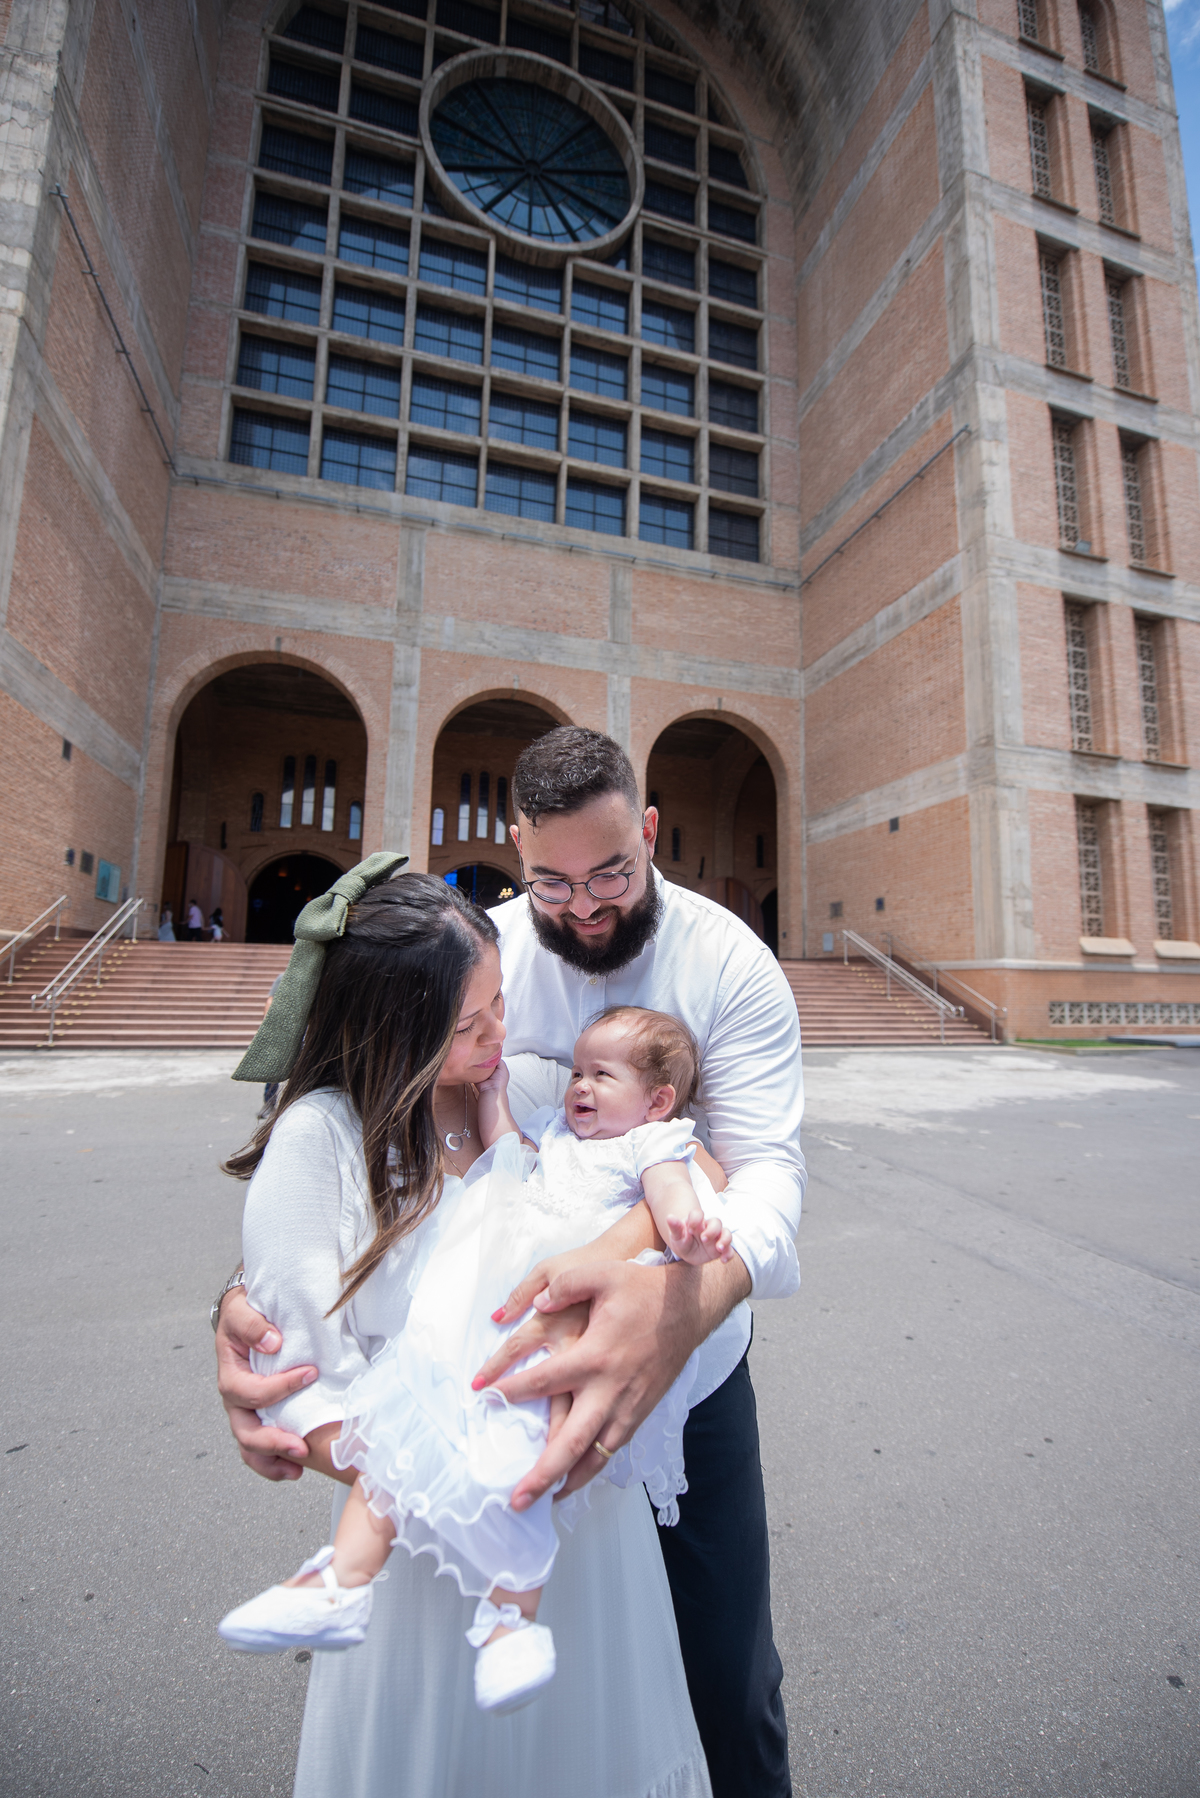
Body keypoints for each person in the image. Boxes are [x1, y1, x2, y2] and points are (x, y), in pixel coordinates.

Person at [216, 728, 805, 1797]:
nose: (584, 906)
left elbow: (754, 1177)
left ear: (650, 832)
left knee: (729, 1682)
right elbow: (373, 1162)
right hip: (495, 1399)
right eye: (553, 882)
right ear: (516, 846)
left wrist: (671, 1303)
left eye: (611, 873)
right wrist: (251, 1301)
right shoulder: (474, 958)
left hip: (693, 1375)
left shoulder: (729, 965)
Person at [217, 1005, 733, 1719]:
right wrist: (495, 1099)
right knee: (403, 1415)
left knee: (532, 1450)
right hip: (492, 1307)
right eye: (578, 1072)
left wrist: (690, 1232)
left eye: (600, 1075)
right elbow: (509, 1152)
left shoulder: (655, 1143)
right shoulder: (557, 1129)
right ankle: (341, 1580)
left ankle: (511, 1622)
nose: (579, 1085)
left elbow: (681, 1193)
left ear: (657, 1101)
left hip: (564, 1315)